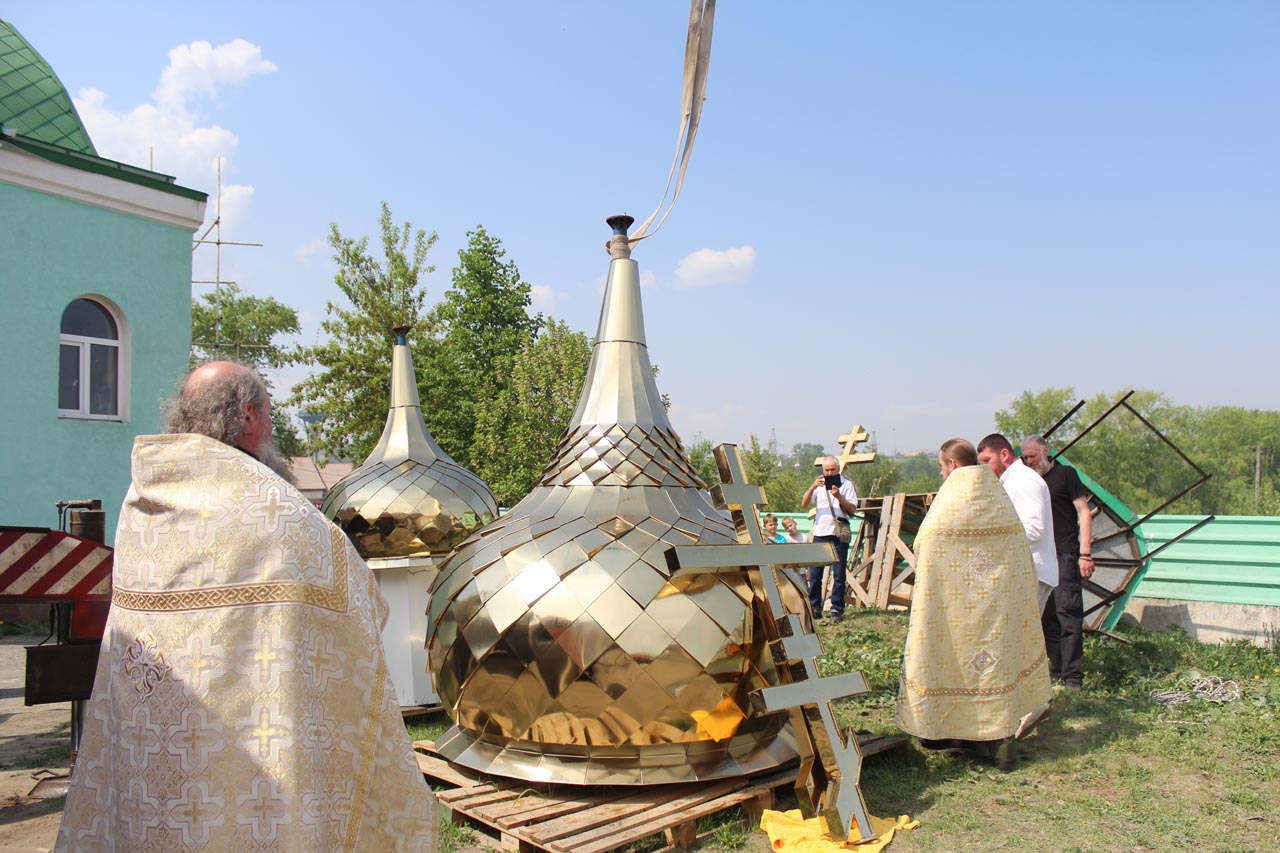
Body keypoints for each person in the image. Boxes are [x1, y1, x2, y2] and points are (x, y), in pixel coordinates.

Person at [57, 362, 438, 852]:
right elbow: (354, 595)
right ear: (251, 415)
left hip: (153, 762)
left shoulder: (142, 503)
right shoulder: (275, 511)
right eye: (271, 417)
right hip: (252, 766)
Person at [896, 439, 1052, 770]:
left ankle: (951, 736)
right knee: (994, 670)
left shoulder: (948, 503)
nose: (941, 473)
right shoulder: (998, 498)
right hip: (994, 611)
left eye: (941, 466)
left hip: (953, 614)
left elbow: (925, 546)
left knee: (953, 668)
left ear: (952, 465)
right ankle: (998, 747)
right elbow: (1018, 548)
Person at [1023, 434, 1094, 691]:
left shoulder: (1065, 475)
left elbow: (1084, 513)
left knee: (1068, 614)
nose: (1029, 461)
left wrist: (1085, 553)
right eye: (1025, 457)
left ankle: (1073, 676)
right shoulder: (1028, 482)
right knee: (1046, 616)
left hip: (1065, 554)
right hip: (1041, 558)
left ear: (1046, 451)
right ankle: (1055, 670)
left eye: (1032, 455)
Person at [976, 434, 1058, 613]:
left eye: (987, 460)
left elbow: (1034, 530)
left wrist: (994, 541)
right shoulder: (1013, 481)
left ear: (1004, 454)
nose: (984, 468)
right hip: (1024, 571)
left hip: (1033, 572)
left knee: (1022, 637)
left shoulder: (1023, 481)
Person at [801, 456, 859, 622]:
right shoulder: (818, 486)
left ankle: (836, 609)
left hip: (838, 533)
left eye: (832, 470)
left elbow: (853, 509)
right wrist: (812, 487)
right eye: (826, 470)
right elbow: (804, 504)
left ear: (838, 469)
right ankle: (815, 607)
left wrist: (839, 496)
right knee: (815, 574)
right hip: (820, 532)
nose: (829, 473)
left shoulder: (846, 485)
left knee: (839, 573)